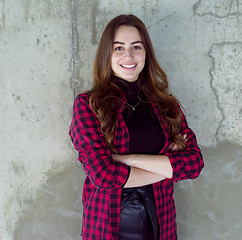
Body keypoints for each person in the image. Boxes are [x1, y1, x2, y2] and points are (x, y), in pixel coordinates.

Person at [69, 14, 204, 240]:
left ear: (146, 53)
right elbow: (102, 175)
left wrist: (128, 159)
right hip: (107, 226)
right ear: (107, 55)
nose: (128, 55)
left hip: (160, 223)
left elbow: (194, 164)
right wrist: (167, 170)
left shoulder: (167, 106)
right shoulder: (88, 105)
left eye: (136, 47)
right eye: (118, 48)